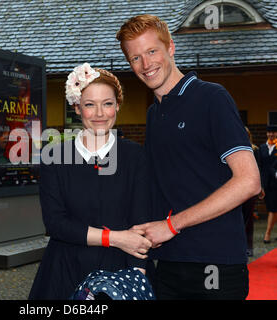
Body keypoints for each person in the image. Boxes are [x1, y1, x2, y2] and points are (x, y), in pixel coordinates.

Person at [116, 14, 261, 300]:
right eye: (135, 58)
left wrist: (171, 225)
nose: (146, 65)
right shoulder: (154, 114)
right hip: (169, 262)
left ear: (171, 48)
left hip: (214, 264)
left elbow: (249, 181)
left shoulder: (211, 98)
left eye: (152, 51)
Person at [29, 63, 153, 300]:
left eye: (107, 104)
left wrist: (136, 277)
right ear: (76, 107)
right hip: (65, 271)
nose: (99, 113)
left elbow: (140, 222)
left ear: (117, 106)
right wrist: (115, 238)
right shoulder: (54, 157)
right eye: (89, 105)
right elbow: (55, 224)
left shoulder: (135, 156)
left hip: (121, 268)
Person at [257, 126, 277, 243]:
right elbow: (260, 166)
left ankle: (267, 234)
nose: (271, 134)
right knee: (272, 207)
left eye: (274, 132)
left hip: (276, 182)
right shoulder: (262, 148)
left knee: (272, 209)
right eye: (269, 132)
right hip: (266, 183)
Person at [242, 127, 259, 256]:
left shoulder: (255, 150)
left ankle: (248, 247)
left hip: (250, 190)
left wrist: (261, 187)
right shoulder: (235, 151)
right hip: (237, 189)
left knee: (249, 220)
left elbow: (259, 170)